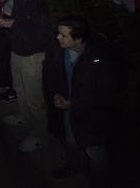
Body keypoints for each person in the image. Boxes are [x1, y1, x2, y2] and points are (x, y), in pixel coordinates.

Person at [44, 15, 116, 187]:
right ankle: (73, 166)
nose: (57, 37)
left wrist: (75, 103)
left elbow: (104, 93)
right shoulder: (58, 49)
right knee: (71, 141)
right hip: (69, 110)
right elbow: (51, 73)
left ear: (78, 39)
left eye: (63, 35)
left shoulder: (98, 60)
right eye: (58, 33)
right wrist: (55, 94)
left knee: (95, 152)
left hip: (92, 117)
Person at [3, 0, 53, 153]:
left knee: (34, 99)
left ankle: (40, 136)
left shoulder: (41, 9)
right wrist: (12, 26)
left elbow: (38, 38)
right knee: (19, 90)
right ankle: (24, 118)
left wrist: (15, 26)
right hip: (16, 52)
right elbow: (19, 23)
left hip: (32, 57)